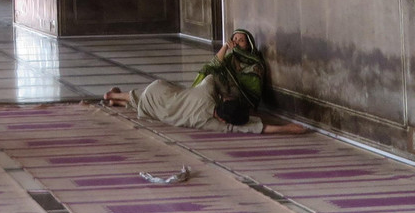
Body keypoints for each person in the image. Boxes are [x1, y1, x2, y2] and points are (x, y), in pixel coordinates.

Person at [102, 77, 306, 134]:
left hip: (159, 92)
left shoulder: (206, 95)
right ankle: (115, 97)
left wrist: (225, 94)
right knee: (144, 102)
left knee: (142, 97)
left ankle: (115, 97)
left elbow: (211, 77)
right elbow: (250, 128)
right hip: (160, 110)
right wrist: (286, 129)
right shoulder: (207, 122)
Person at [193, 27, 265, 109]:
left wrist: (235, 49)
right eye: (235, 39)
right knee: (208, 69)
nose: (236, 42)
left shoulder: (255, 62)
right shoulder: (231, 57)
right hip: (229, 91)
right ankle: (194, 97)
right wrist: (225, 47)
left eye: (241, 41)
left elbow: (249, 86)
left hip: (245, 98)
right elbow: (214, 64)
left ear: (248, 45)